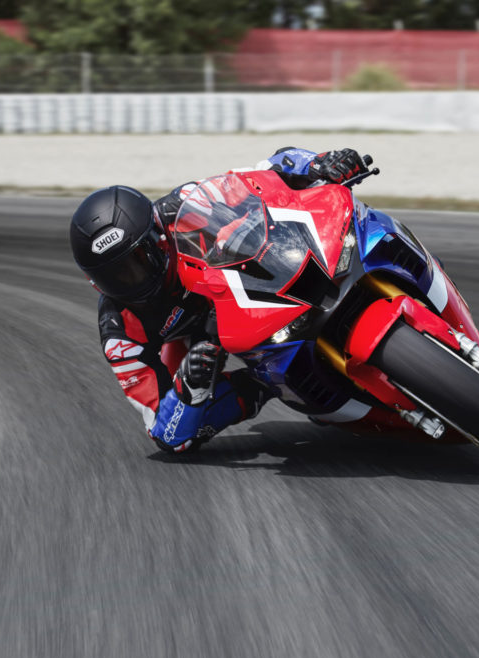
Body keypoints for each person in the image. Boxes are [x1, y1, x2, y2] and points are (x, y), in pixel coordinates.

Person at [69, 148, 369, 453]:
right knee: (177, 441)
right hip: (199, 342)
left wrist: (318, 164)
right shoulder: (119, 331)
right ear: (95, 282)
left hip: (243, 279)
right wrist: (189, 390)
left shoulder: (183, 205)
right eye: (115, 276)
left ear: (157, 237)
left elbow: (264, 172)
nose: (133, 279)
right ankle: (265, 387)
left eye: (138, 261)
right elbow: (160, 429)